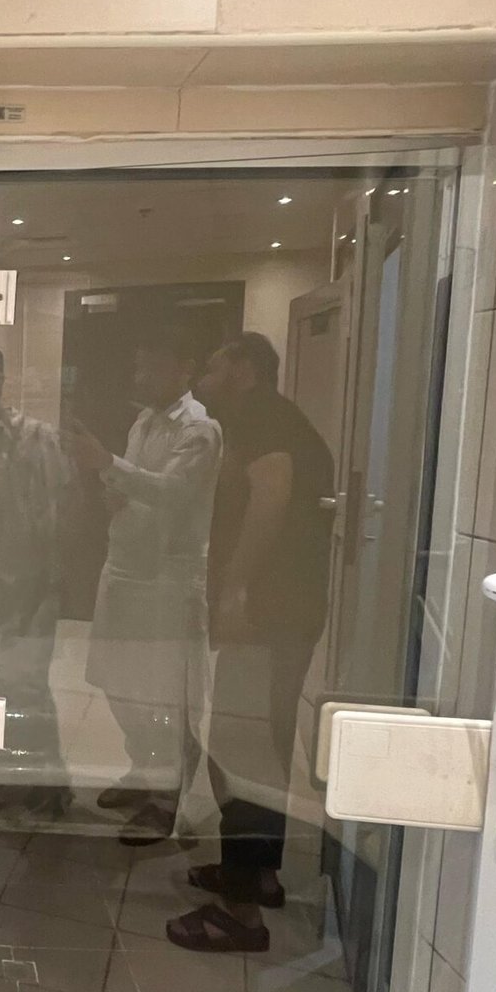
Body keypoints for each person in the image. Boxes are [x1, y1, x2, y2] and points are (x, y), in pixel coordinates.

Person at [167, 331, 335, 953]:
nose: (203, 379)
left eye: (213, 367)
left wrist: (237, 589)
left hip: (268, 611)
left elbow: (271, 493)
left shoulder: (262, 417)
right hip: (288, 610)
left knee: (243, 746)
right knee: (263, 739)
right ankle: (258, 875)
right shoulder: (278, 417)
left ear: (242, 370)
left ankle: (240, 914)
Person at [69, 332, 221, 846]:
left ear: (184, 367)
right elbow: (133, 486)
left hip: (166, 579)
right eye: (138, 368)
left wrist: (107, 464)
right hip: (124, 566)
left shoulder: (199, 430)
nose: (141, 378)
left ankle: (165, 796)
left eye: (151, 368)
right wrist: (111, 488)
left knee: (162, 690)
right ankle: (143, 771)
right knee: (117, 679)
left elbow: (173, 492)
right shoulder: (144, 422)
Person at [0, 340, 73, 818]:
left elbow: (60, 517)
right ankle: (12, 772)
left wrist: (47, 588)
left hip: (28, 586)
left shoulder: (36, 438)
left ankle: (47, 781)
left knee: (27, 685)